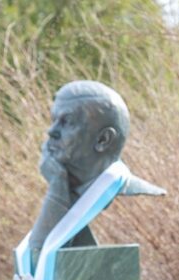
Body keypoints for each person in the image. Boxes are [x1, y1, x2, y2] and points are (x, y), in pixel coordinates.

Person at [31, 80, 166, 256]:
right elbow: (36, 266)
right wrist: (57, 187)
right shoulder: (64, 186)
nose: (51, 131)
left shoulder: (140, 207)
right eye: (54, 120)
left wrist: (57, 187)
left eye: (67, 122)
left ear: (103, 140)